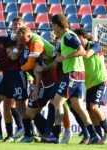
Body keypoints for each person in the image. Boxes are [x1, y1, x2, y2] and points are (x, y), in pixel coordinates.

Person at [41, 14, 99, 144]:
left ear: (56, 25)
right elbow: (65, 54)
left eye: (52, 25)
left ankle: (55, 135)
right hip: (76, 74)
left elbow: (81, 51)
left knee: (57, 102)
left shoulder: (68, 35)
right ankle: (94, 135)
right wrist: (57, 55)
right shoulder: (64, 38)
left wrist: (64, 57)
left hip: (73, 73)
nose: (52, 28)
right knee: (78, 106)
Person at [74, 27, 107, 144]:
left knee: (94, 107)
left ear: (80, 37)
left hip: (101, 81)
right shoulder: (78, 49)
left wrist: (77, 52)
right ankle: (98, 136)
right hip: (89, 84)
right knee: (90, 110)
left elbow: (87, 55)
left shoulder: (94, 44)